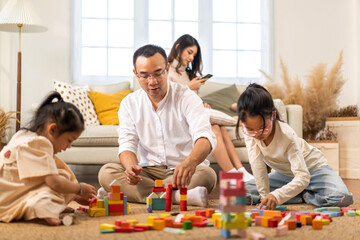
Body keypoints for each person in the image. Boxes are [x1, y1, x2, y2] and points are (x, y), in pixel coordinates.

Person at [97, 44, 217, 207]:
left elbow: (205, 138)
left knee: (207, 175)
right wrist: (131, 167)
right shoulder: (129, 103)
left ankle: (124, 194)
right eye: (144, 76)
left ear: (167, 69)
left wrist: (190, 162)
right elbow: (127, 144)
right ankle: (178, 197)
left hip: (182, 170)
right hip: (148, 171)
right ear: (135, 74)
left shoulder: (187, 97)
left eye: (158, 73)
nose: (152, 82)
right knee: (107, 172)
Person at [236, 83, 353, 210]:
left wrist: (278, 195)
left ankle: (307, 194)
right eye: (250, 129)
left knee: (340, 197)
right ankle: (296, 192)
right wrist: (266, 198)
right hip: (285, 176)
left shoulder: (287, 136)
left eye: (263, 128)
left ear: (273, 116)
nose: (257, 134)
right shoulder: (250, 134)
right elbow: (258, 167)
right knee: (238, 193)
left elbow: (303, 176)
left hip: (312, 170)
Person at [0, 92, 96, 226]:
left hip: (5, 196)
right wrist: (79, 188)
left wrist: (76, 196)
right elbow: (55, 183)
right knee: (60, 178)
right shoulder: (40, 144)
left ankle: (50, 206)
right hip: (9, 201)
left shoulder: (22, 135)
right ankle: (45, 211)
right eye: (69, 140)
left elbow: (34, 180)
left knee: (59, 173)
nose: (68, 146)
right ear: (52, 129)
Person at [167, 34, 253, 181]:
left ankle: (240, 170)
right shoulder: (168, 71)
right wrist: (189, 87)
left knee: (220, 126)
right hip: (177, 118)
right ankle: (232, 174)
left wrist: (201, 105)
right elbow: (168, 100)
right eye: (189, 52)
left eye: (194, 54)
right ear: (178, 48)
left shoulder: (186, 74)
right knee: (213, 128)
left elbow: (188, 101)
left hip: (189, 115)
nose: (191, 58)